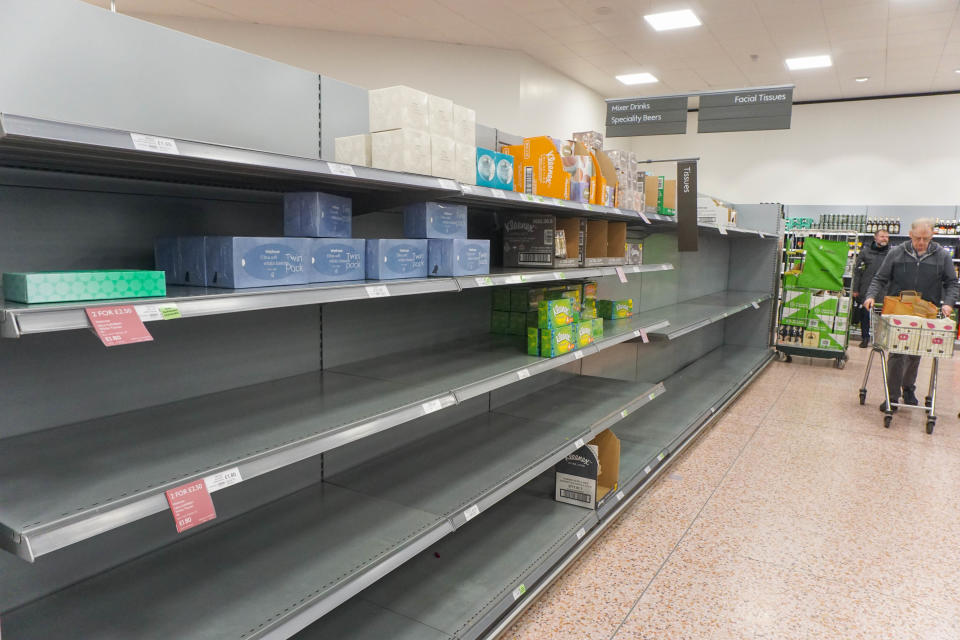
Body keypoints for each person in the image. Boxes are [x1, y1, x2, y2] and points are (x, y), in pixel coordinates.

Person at [864, 218, 959, 412]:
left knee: (916, 352)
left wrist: (948, 303)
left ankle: (908, 388)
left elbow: (951, 283)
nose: (921, 242)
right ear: (910, 235)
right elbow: (880, 278)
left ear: (932, 235)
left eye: (925, 238)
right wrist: (871, 296)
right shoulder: (896, 253)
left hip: (926, 311)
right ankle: (892, 396)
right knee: (897, 353)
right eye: (917, 238)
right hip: (899, 311)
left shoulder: (942, 256)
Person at [851, 229, 890, 347]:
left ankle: (879, 340)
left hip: (884, 289)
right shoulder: (865, 252)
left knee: (881, 316)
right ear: (875, 238)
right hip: (865, 288)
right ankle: (865, 338)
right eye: (882, 236)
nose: (885, 239)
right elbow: (857, 272)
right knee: (865, 314)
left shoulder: (891, 253)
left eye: (887, 237)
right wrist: (856, 289)